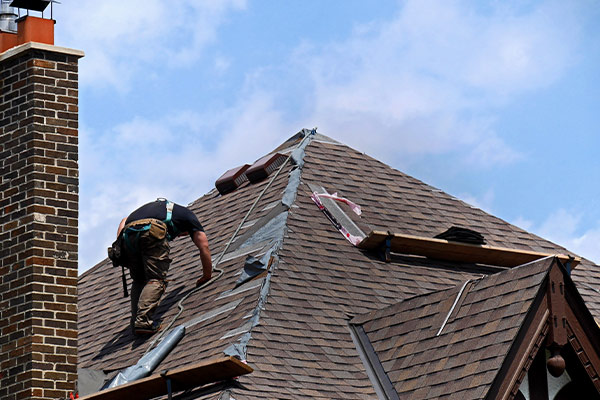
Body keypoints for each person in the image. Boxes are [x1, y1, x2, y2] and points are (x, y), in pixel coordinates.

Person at [116, 198, 212, 335]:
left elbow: (124, 220)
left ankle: (135, 322)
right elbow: (204, 246)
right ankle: (143, 322)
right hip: (149, 230)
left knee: (139, 280)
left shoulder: (160, 209)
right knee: (156, 279)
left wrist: (120, 244)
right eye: (182, 234)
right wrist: (207, 275)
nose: (178, 237)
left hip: (128, 235)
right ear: (187, 229)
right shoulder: (190, 217)